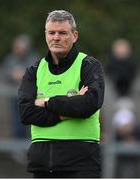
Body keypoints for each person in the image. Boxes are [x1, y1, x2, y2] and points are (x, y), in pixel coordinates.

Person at [18, 10, 105, 178]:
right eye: (52, 32)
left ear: (75, 35)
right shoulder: (34, 70)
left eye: (62, 33)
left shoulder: (89, 65)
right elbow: (26, 113)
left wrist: (46, 102)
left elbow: (89, 104)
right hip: (42, 164)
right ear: (45, 35)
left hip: (81, 164)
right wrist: (66, 112)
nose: (56, 37)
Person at [0, 34, 40, 138]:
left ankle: (29, 147)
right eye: (17, 47)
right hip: (14, 97)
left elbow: (39, 75)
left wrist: (24, 74)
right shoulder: (10, 59)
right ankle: (17, 150)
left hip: (31, 98)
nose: (17, 50)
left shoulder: (34, 58)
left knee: (31, 123)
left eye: (20, 48)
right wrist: (12, 74)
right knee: (16, 123)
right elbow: (3, 75)